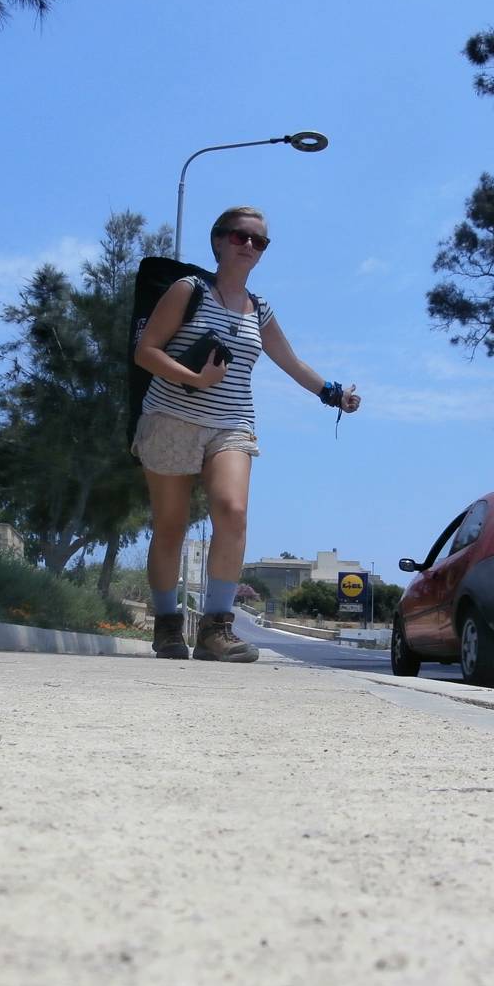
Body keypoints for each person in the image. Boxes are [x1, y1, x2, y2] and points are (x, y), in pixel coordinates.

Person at [133, 205, 361, 662]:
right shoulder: (188, 290)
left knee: (232, 511)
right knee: (172, 527)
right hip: (171, 416)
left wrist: (333, 394)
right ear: (219, 242)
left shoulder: (261, 310)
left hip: (232, 423)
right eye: (240, 237)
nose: (250, 246)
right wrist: (195, 379)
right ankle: (167, 626)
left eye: (259, 241)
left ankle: (217, 629)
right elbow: (146, 352)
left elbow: (291, 362)